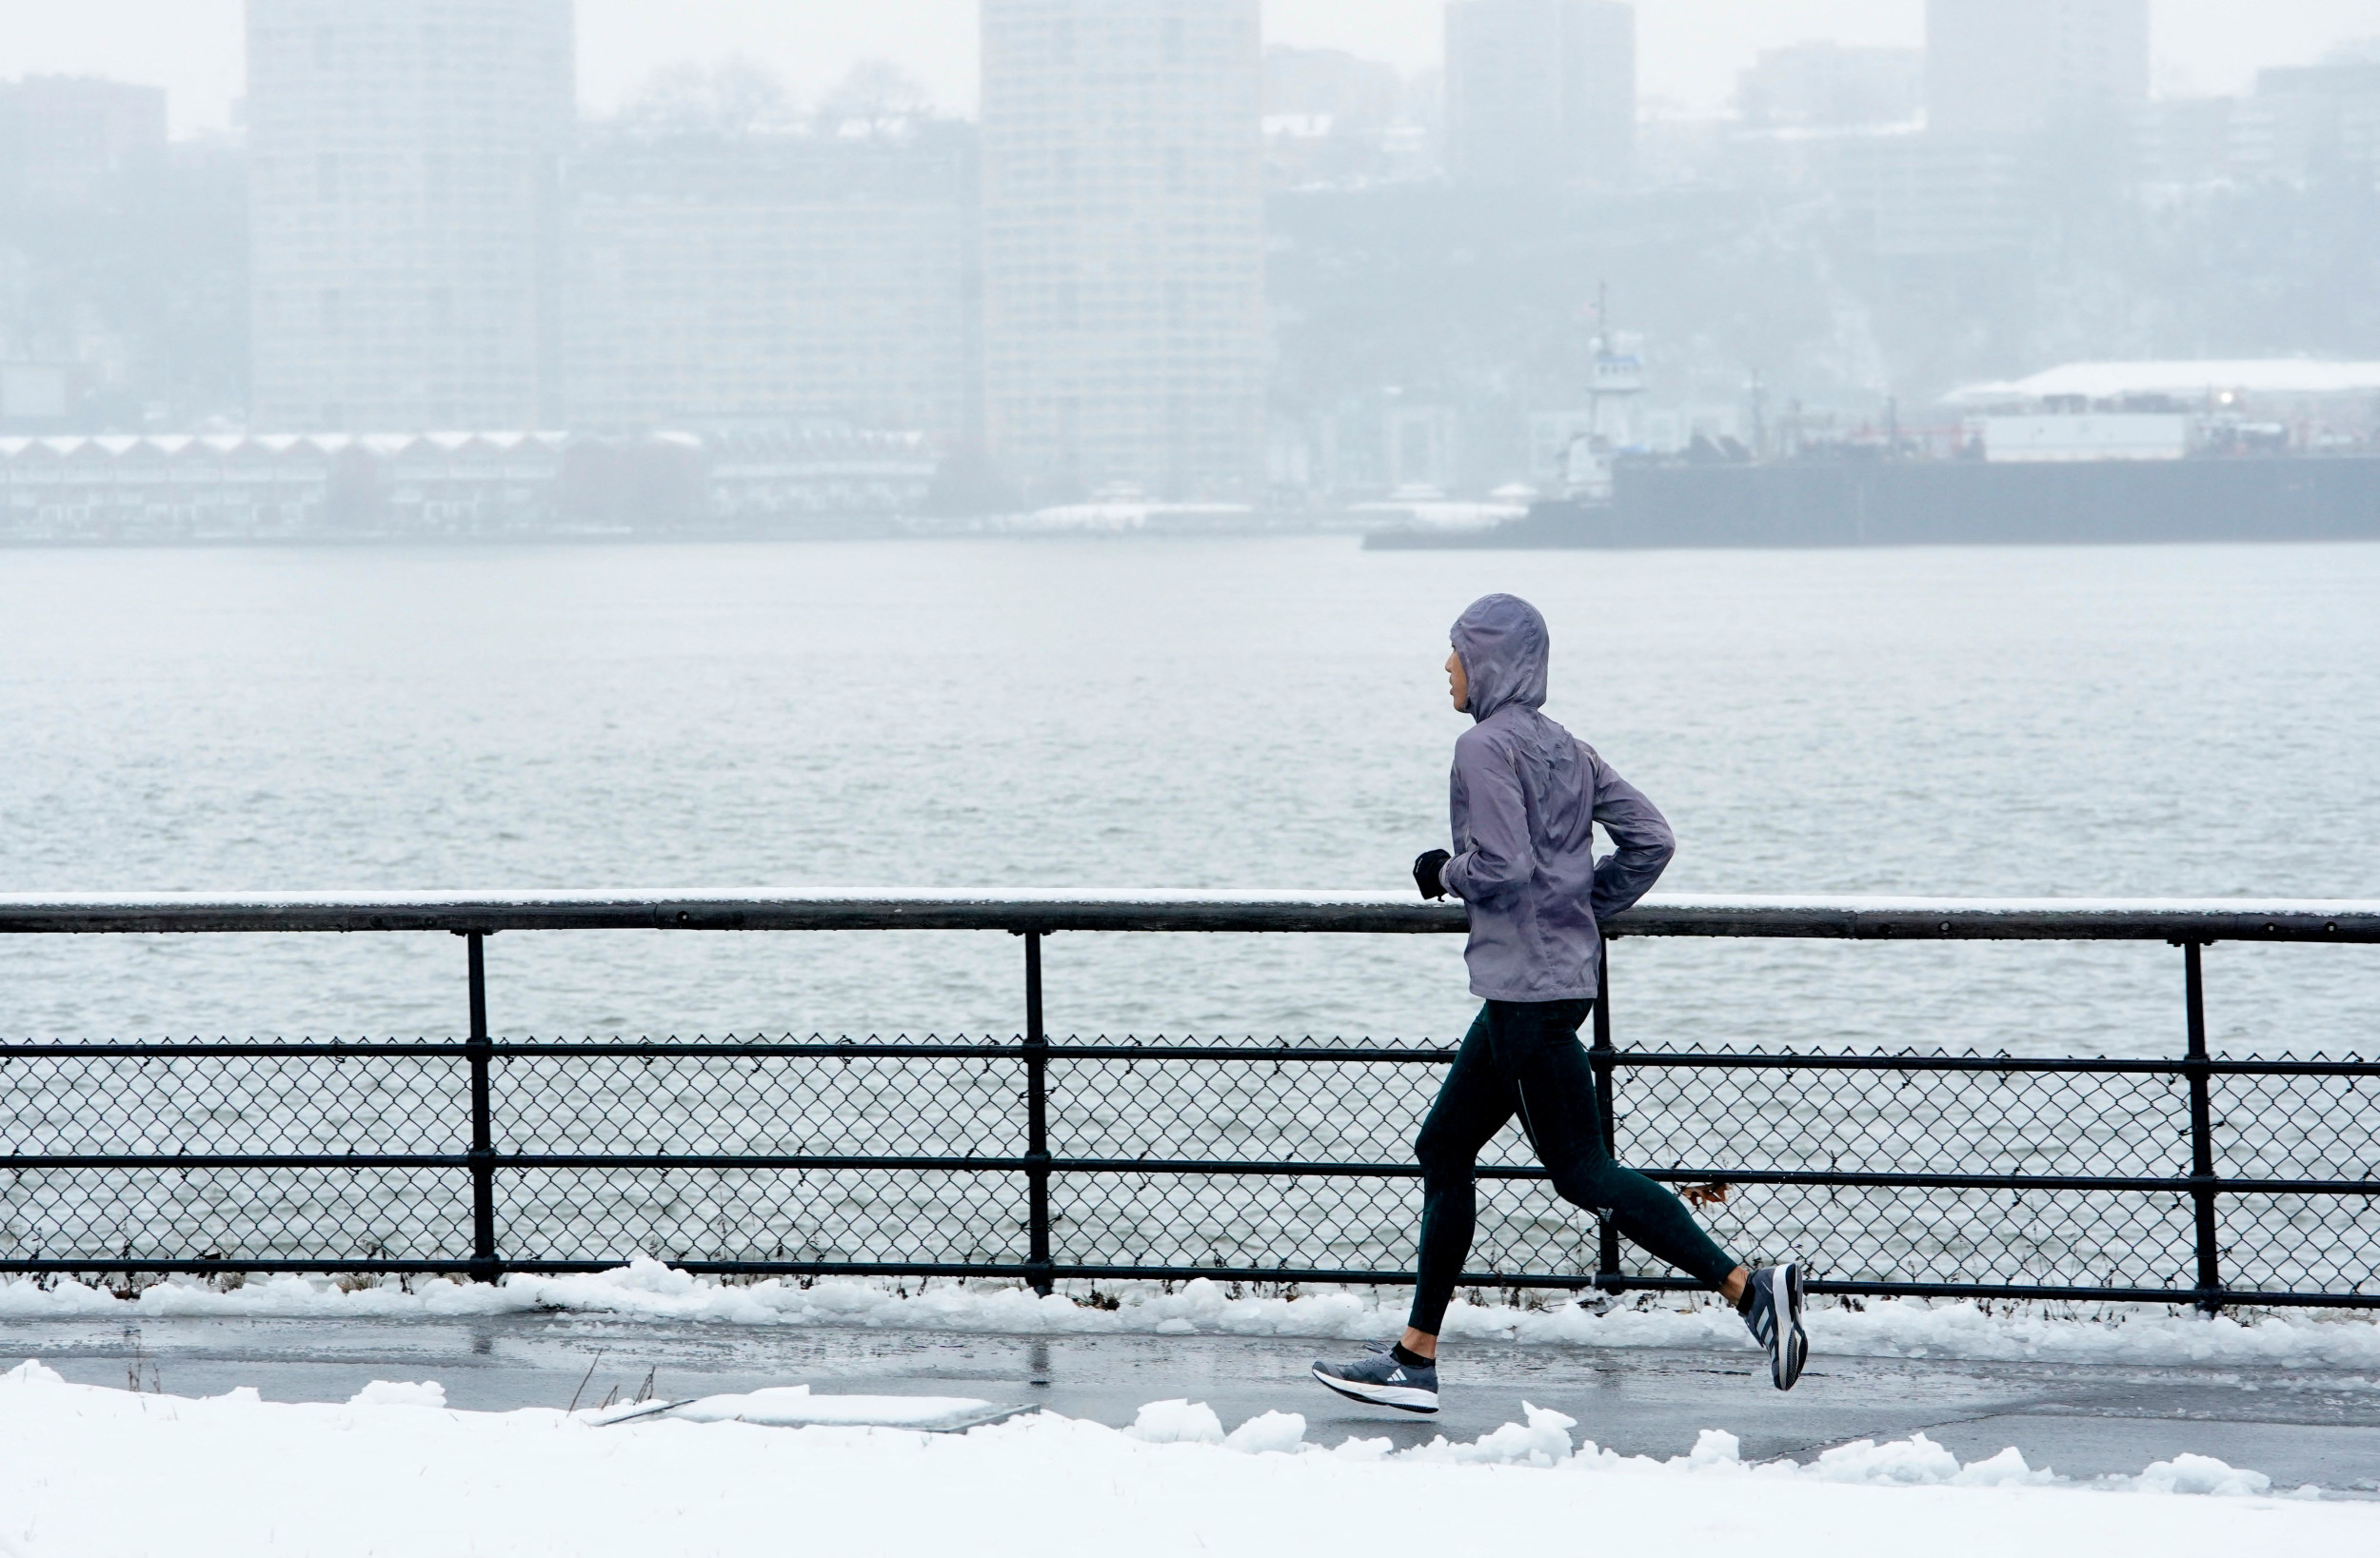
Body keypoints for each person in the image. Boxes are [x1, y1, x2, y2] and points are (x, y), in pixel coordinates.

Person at [1312, 593, 1805, 1415]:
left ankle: (1751, 1288)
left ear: (1490, 660)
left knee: (1582, 1172)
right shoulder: (1568, 749)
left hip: (1526, 994)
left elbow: (1498, 867)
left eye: (1456, 651)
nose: (1445, 666)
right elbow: (1652, 840)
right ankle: (1415, 1356)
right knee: (1443, 1146)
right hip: (1553, 983)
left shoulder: (1481, 748)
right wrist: (1583, 904)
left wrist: (1442, 872)